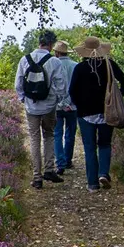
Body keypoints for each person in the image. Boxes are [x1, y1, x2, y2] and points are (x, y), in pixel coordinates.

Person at [69, 37, 124, 193]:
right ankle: (103, 173)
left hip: (85, 114)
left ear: (84, 51)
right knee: (104, 144)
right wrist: (118, 97)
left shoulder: (80, 68)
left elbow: (72, 91)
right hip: (107, 112)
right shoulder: (109, 65)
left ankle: (92, 184)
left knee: (89, 148)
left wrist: (79, 106)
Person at [15, 31, 67, 189]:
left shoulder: (25, 59)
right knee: (49, 136)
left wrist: (24, 99)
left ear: (39, 42)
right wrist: (56, 101)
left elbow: (18, 85)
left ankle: (37, 177)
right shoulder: (54, 62)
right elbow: (61, 87)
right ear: (51, 44)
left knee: (34, 140)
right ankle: (49, 170)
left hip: (31, 107)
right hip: (49, 107)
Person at [52, 40, 78, 175]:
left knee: (57, 134)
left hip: (56, 106)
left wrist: (60, 103)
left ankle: (60, 163)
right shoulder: (76, 66)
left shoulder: (52, 65)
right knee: (70, 133)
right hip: (72, 106)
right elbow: (78, 88)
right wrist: (69, 103)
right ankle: (68, 160)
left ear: (56, 52)